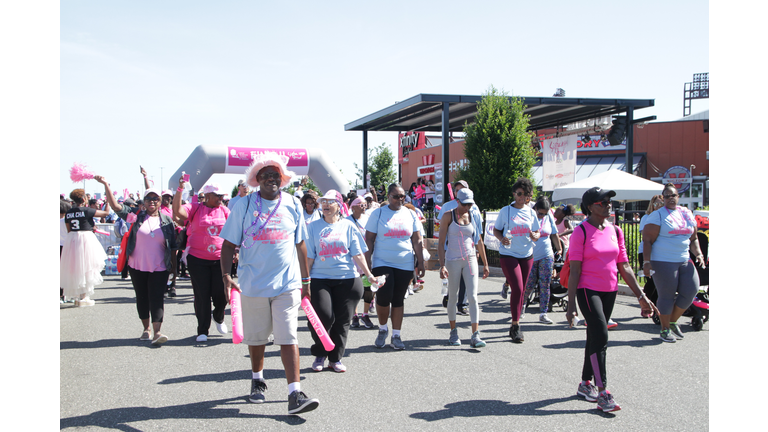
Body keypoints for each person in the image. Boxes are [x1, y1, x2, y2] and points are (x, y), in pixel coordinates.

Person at [219, 152, 319, 415]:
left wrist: (306, 280)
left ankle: (294, 393)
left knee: (288, 336)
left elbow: (300, 244)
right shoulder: (242, 205)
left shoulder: (293, 204)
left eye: (276, 175)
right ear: (257, 179)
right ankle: (257, 378)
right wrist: (227, 276)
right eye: (266, 175)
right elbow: (228, 244)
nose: (272, 179)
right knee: (258, 338)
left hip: (287, 283)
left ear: (283, 179)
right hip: (252, 284)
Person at [565, 187, 659, 413]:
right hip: (588, 290)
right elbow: (575, 270)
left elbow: (624, 266)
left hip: (610, 290)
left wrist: (642, 296)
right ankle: (603, 392)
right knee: (602, 335)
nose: (608, 205)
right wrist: (570, 305)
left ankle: (585, 383)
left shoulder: (616, 231)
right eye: (602, 202)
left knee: (594, 336)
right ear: (590, 206)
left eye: (609, 201)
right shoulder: (581, 232)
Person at [96, 176, 177, 346]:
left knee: (157, 298)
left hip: (160, 267)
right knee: (142, 297)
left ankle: (157, 332)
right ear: (143, 202)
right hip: (136, 266)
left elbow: (173, 247)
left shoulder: (167, 221)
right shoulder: (135, 216)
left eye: (156, 199)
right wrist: (106, 185)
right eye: (148, 199)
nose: (152, 202)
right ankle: (146, 329)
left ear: (160, 201)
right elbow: (116, 207)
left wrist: (173, 268)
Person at [306, 190, 380, 372]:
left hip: (347, 279)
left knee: (342, 320)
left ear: (339, 206)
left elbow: (357, 253)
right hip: (319, 279)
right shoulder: (313, 227)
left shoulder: (348, 226)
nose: (325, 205)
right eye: (323, 202)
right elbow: (309, 257)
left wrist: (368, 274)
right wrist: (304, 281)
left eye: (330, 202)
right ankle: (320, 353)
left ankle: (335, 358)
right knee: (323, 317)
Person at [365, 183, 425, 350]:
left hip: (404, 263)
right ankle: (383, 329)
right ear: (388, 197)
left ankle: (396, 335)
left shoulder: (410, 214)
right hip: (382, 262)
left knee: (398, 298)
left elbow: (417, 240)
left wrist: (420, 263)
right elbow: (369, 239)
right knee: (384, 296)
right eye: (396, 196)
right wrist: (367, 263)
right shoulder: (378, 214)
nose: (400, 199)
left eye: (402, 196)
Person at [641, 184, 705, 343]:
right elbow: (647, 240)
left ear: (678, 196)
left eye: (674, 195)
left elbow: (694, 238)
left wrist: (698, 253)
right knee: (666, 296)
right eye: (667, 196)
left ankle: (672, 321)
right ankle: (664, 329)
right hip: (663, 260)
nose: (671, 198)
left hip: (684, 259)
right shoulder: (658, 215)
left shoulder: (686, 213)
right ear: (663, 198)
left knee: (691, 290)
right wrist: (647, 262)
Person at [172, 181, 231, 343]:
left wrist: (237, 251)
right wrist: (179, 189)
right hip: (197, 259)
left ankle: (218, 317)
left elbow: (233, 233)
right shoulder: (195, 208)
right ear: (208, 196)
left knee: (221, 295)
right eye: (217, 196)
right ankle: (202, 329)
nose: (220, 198)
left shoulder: (225, 211)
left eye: (222, 196)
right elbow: (177, 211)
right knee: (202, 295)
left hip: (221, 260)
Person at [437, 188, 490, 347]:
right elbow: (440, 243)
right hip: (452, 260)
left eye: (470, 204)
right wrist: (441, 265)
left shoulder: (473, 215)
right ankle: (453, 332)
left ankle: (475, 335)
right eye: (465, 204)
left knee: (473, 297)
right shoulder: (448, 216)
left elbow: (478, 240)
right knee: (452, 297)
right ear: (458, 201)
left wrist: (485, 264)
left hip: (470, 259)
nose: (467, 207)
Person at [492, 177, 540, 343]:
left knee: (523, 290)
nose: (522, 197)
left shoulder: (531, 212)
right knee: (518, 288)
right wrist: (501, 239)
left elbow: (537, 232)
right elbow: (496, 230)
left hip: (527, 254)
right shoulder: (506, 211)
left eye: (525, 194)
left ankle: (515, 321)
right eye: (519, 194)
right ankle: (515, 325)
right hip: (509, 254)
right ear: (514, 194)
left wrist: (535, 235)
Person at [60, 189, 109, 307]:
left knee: (75, 267)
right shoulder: (87, 210)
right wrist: (107, 202)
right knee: (88, 266)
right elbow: (105, 214)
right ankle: (85, 296)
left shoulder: (69, 212)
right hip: (86, 237)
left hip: (72, 239)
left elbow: (69, 229)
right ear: (83, 199)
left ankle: (79, 295)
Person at [437, 180, 480, 314]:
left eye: (462, 189)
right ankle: (450, 295)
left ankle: (462, 303)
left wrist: (478, 249)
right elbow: (441, 229)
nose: (459, 191)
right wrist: (442, 256)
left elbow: (478, 232)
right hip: (450, 249)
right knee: (453, 278)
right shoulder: (447, 207)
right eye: (457, 189)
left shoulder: (474, 208)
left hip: (469, 251)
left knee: (466, 278)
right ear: (455, 193)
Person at [523, 197, 562, 324]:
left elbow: (554, 234)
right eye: (540, 213)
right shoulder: (528, 216)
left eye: (544, 214)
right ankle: (522, 305)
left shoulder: (548, 216)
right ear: (534, 209)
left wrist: (559, 249)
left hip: (547, 254)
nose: (542, 216)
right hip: (531, 255)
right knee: (529, 284)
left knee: (545, 284)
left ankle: (543, 313)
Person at [347, 197, 375, 329]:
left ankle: (365, 314)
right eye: (360, 204)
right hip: (352, 258)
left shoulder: (368, 219)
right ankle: (354, 315)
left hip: (366, 257)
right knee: (354, 288)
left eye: (365, 204)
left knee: (368, 286)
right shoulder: (346, 221)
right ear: (353, 207)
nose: (363, 206)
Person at [638, 195, 663, 301]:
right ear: (652, 205)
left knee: (660, 280)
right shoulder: (646, 218)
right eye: (656, 204)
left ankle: (655, 304)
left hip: (660, 252)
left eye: (661, 204)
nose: (658, 206)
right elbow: (646, 236)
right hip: (645, 251)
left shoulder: (665, 217)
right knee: (651, 280)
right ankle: (646, 302)